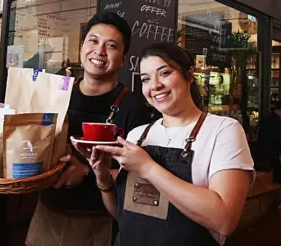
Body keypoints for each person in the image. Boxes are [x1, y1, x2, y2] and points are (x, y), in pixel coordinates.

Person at [76, 43, 254, 246]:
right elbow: (123, 215)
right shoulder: (138, 135)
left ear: (189, 75)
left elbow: (225, 220)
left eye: (165, 73)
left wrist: (148, 168)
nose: (155, 85)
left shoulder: (223, 130)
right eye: (146, 79)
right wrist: (103, 177)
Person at [26, 12, 154, 246]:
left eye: (111, 46)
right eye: (93, 41)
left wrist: (87, 171)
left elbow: (143, 179)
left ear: (124, 58)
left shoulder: (133, 107)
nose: (100, 51)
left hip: (99, 222)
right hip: (47, 212)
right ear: (82, 46)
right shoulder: (58, 93)